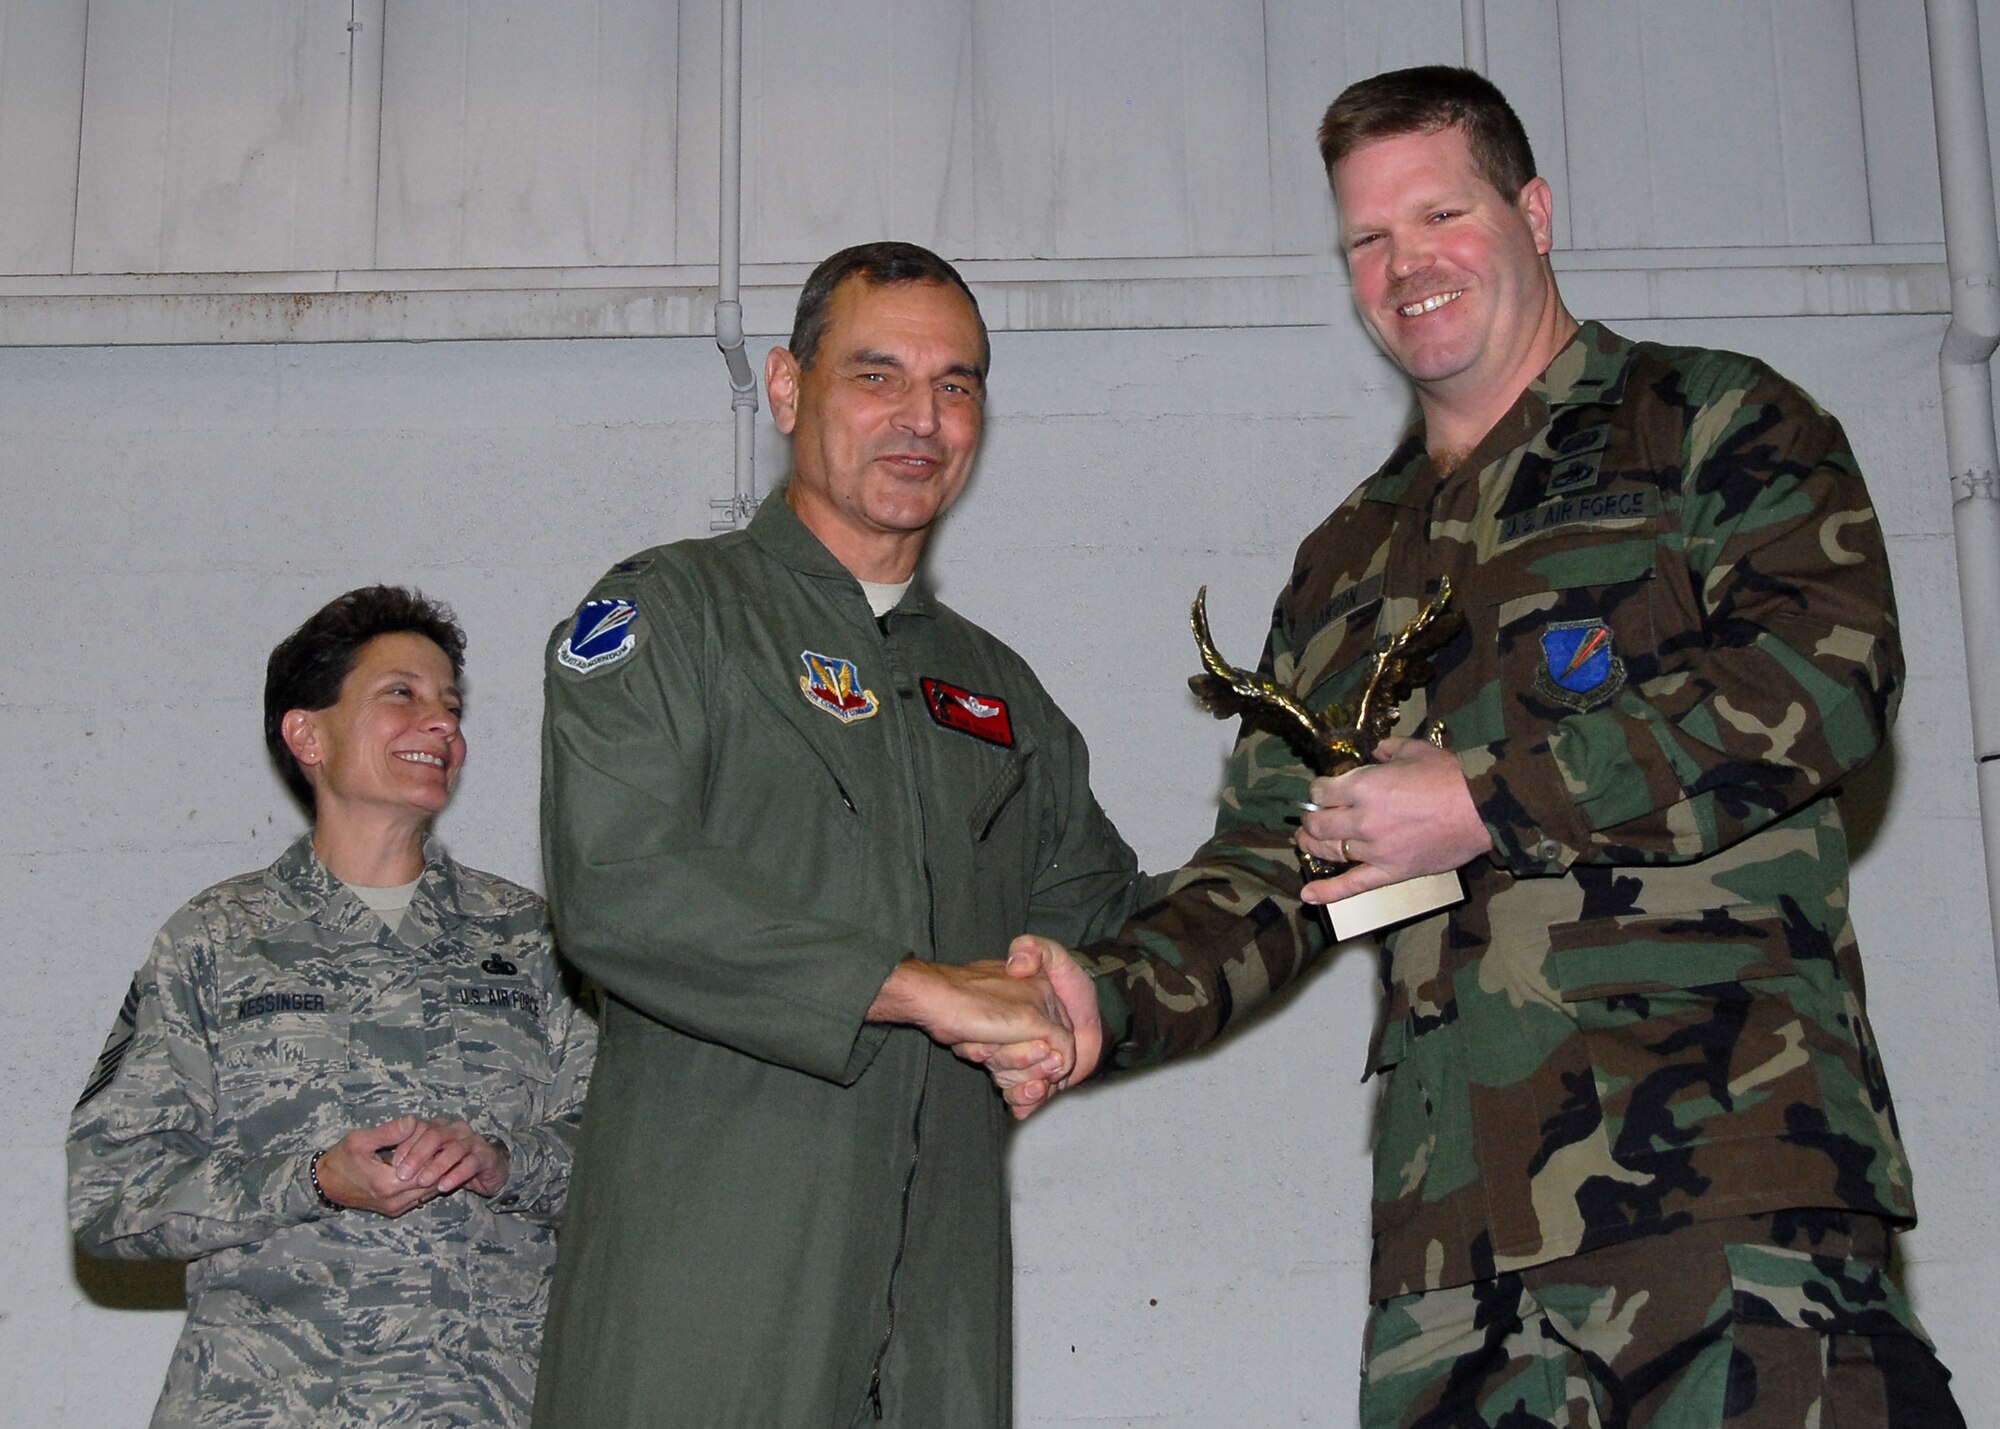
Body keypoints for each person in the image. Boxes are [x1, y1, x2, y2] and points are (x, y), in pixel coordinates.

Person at [990, 66, 1964, 1426]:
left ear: (1535, 212)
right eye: (1368, 239)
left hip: (1735, 1208)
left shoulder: (1711, 427)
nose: (1406, 266)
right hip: (1453, 1273)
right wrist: (1109, 997)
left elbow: (1831, 674)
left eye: (1440, 215)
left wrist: (1491, 798)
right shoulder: (1347, 561)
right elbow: (1278, 866)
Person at [533, 241, 1141, 1428]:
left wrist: (1314, 868)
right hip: (708, 1303)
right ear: (786, 388)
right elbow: (616, 883)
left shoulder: (996, 690)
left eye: (955, 385)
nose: (921, 416)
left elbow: (1104, 922)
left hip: (936, 1321)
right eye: (877, 375)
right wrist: (913, 987)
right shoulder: (670, 615)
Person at [68, 586, 597, 1428]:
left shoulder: (539, 941)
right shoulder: (213, 940)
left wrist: (503, 1160)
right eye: (402, 695)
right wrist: (314, 1178)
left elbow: (620, 1161)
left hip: (487, 1401)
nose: (441, 725)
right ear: (306, 733)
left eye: (451, 706)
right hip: (265, 1402)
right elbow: (112, 1196)